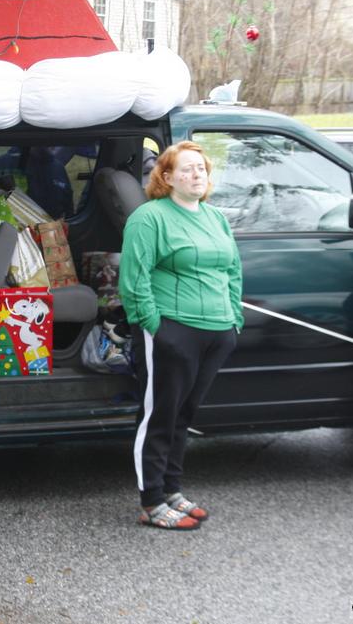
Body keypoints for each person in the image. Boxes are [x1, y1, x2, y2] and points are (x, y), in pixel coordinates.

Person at [119, 141, 243, 530]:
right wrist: (155, 326)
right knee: (160, 415)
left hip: (217, 331)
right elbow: (134, 279)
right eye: (186, 169)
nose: (196, 175)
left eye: (201, 169)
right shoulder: (150, 217)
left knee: (185, 414)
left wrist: (234, 318)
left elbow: (232, 270)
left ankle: (172, 488)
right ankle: (152, 500)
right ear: (167, 177)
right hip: (173, 331)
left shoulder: (215, 217)